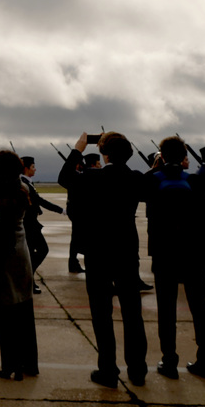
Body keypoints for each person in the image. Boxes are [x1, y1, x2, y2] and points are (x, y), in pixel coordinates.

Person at [58, 131, 147, 388]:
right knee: (132, 313)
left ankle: (107, 369)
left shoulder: (92, 177)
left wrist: (78, 149)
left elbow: (64, 177)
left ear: (104, 154)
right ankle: (138, 369)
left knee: (101, 314)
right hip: (127, 251)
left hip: (98, 253)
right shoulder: (134, 178)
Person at [143, 136, 205, 381]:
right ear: (185, 156)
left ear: (161, 155)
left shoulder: (152, 180)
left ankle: (169, 360)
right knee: (198, 307)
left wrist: (154, 168)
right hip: (193, 251)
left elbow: (137, 189)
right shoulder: (195, 180)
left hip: (163, 252)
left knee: (167, 307)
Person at [0, 150, 36, 380]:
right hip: (21, 249)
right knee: (24, 308)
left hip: (1, 253)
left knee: (4, 312)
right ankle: (28, 363)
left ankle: (9, 366)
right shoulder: (22, 189)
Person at [20, 156, 63, 293]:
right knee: (42, 250)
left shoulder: (27, 182)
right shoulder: (24, 183)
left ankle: (28, 281)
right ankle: (27, 280)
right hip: (29, 226)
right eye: (33, 166)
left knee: (34, 253)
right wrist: (61, 210)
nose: (35, 169)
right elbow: (40, 201)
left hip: (32, 225)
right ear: (26, 168)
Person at [66, 153, 100, 273]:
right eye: (98, 163)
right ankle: (73, 262)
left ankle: (73, 262)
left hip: (75, 210)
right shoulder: (78, 176)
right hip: (78, 211)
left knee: (76, 237)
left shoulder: (80, 175)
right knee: (76, 238)